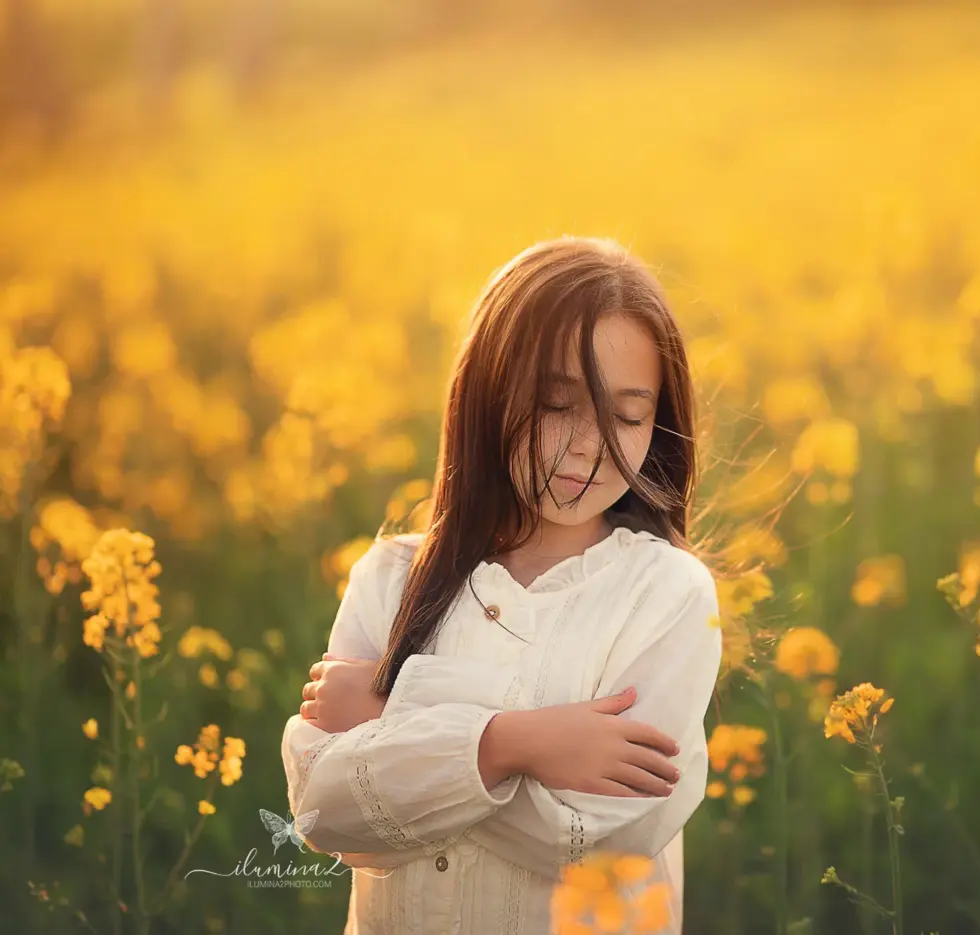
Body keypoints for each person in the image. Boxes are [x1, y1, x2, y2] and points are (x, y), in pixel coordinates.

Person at [279, 236, 723, 934]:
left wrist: (401, 710)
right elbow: (326, 812)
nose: (590, 444)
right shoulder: (389, 577)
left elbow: (606, 840)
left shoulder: (668, 593)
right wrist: (515, 743)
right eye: (555, 404)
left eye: (629, 415)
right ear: (486, 393)